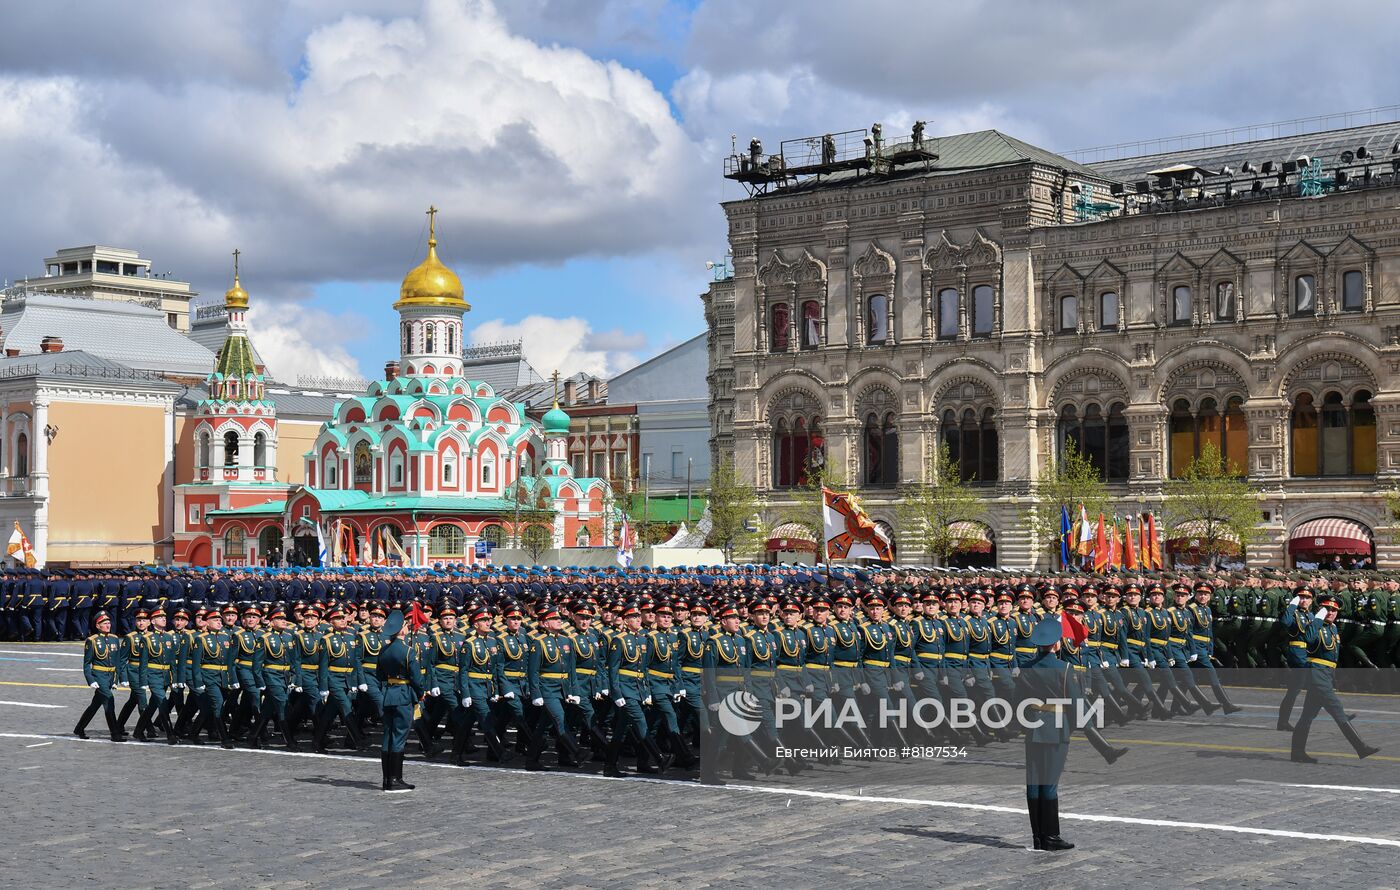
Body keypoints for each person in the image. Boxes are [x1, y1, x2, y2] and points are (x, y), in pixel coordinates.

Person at [1290, 592, 1381, 763]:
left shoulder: (1332, 628)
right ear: (1320, 610)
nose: (1331, 612)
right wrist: (1318, 618)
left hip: (1325, 675)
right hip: (1316, 675)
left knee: (1307, 716)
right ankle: (1360, 747)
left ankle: (1297, 752)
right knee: (1338, 711)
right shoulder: (1314, 625)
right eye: (1327, 609)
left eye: (1333, 610)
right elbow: (1308, 638)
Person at [1019, 615, 1081, 852]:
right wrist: (1070, 726)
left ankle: (1037, 836)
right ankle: (1052, 836)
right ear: (1057, 644)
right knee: (1050, 785)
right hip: (1057, 728)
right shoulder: (1064, 668)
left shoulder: (1026, 667)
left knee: (1033, 784)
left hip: (1033, 727)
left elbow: (1017, 702)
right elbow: (1075, 704)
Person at [376, 608, 419, 792]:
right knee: (399, 737)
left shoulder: (383, 650)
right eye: (405, 625)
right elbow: (416, 679)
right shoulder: (408, 651)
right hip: (403, 694)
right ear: (401, 630)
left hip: (389, 693)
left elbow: (379, 675)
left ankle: (387, 779)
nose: (408, 626)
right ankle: (396, 779)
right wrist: (420, 693)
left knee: (388, 736)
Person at [74, 612, 124, 741]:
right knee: (109, 700)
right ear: (98, 625)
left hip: (110, 676)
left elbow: (117, 662)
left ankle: (79, 728)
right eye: (104, 624)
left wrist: (115, 679)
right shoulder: (92, 640)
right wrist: (90, 680)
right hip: (99, 676)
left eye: (109, 623)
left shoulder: (114, 639)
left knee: (95, 705)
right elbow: (86, 664)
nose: (108, 625)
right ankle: (115, 733)